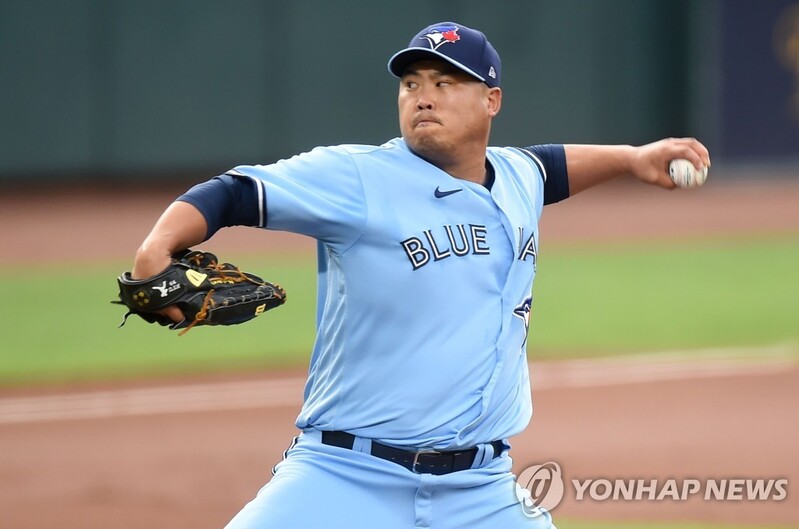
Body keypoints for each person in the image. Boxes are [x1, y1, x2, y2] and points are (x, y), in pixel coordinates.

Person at [131, 21, 710, 529]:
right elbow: (235, 192)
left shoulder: (514, 178)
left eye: (445, 82)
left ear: (491, 101)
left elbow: (549, 168)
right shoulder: (356, 178)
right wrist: (158, 248)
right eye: (412, 84)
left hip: (482, 489)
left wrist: (633, 158)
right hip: (345, 474)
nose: (423, 97)